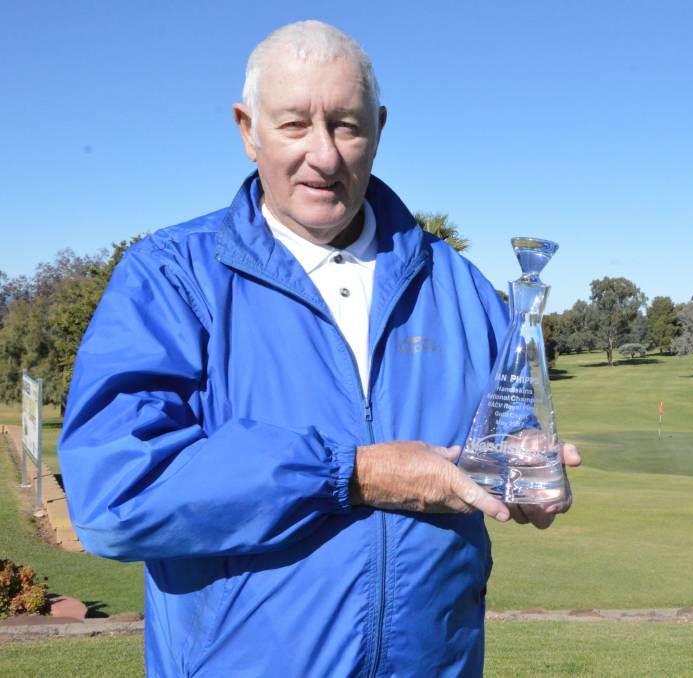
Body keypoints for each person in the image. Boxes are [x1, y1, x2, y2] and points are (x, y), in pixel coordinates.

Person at [58, 20, 579, 677]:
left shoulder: (455, 284)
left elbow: (503, 424)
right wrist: (355, 473)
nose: (325, 155)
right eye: (295, 125)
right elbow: (115, 496)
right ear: (248, 130)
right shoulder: (171, 277)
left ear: (380, 129)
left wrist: (524, 455)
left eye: (347, 125)